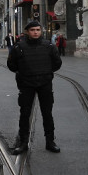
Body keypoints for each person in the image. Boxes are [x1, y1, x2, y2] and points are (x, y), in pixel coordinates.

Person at [7, 20, 63, 154]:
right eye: (32, 30)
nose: (35, 32)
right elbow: (11, 65)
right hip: (26, 84)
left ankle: (50, 141)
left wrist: (46, 73)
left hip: (45, 83)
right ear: (27, 32)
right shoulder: (19, 47)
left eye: (38, 30)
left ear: (41, 31)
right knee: (25, 114)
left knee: (47, 113)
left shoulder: (49, 46)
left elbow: (57, 63)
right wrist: (25, 73)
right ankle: (23, 143)